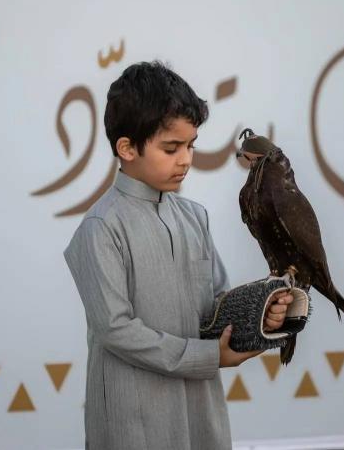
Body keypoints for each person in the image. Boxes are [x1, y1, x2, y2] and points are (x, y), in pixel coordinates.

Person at [63, 61, 294, 449]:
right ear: (127, 148)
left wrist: (262, 312)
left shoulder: (193, 218)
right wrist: (208, 356)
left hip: (200, 412)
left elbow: (218, 305)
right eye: (171, 148)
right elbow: (115, 329)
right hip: (132, 420)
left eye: (191, 145)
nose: (185, 159)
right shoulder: (100, 228)